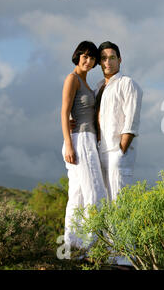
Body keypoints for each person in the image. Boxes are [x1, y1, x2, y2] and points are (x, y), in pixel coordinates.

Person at [94, 41, 143, 268]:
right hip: (100, 150)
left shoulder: (127, 83)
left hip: (117, 151)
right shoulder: (98, 88)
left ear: (119, 60)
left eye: (111, 57)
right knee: (105, 200)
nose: (107, 62)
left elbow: (131, 117)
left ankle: (124, 256)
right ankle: (109, 252)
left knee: (120, 199)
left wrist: (123, 145)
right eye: (103, 58)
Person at [61, 41, 107, 253]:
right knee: (94, 192)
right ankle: (91, 246)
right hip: (79, 141)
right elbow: (64, 112)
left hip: (87, 140)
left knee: (78, 194)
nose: (89, 61)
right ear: (77, 55)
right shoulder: (72, 79)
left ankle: (73, 245)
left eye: (92, 58)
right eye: (85, 56)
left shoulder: (88, 83)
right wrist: (69, 145)